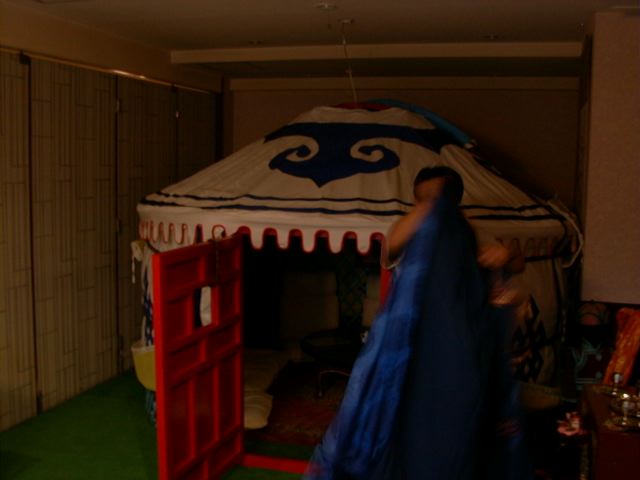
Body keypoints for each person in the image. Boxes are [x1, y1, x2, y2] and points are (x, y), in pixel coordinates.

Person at [304, 166, 532, 480]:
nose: (430, 203)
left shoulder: (470, 232)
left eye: (437, 197)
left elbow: (517, 262)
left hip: (462, 349)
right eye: (422, 198)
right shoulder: (414, 228)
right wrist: (430, 210)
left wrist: (503, 254)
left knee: (461, 425)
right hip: (412, 348)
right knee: (407, 424)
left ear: (454, 199)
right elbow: (391, 245)